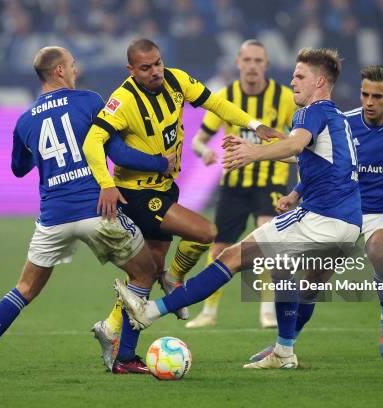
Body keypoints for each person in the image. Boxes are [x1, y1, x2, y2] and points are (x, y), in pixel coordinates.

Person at [115, 48, 362, 370]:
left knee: (229, 257)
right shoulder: (339, 119)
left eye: (299, 77)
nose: (293, 83)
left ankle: (148, 312)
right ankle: (284, 352)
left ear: (320, 81)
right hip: (349, 225)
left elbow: (295, 144)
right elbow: (311, 158)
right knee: (297, 281)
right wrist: (294, 189)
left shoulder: (309, 113)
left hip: (321, 217)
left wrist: (252, 153)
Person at [0, 46, 176, 376]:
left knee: (25, 289)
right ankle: (126, 358)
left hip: (53, 219)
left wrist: (43, 153)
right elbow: (117, 152)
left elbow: (18, 168)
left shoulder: (25, 120)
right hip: (97, 210)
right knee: (145, 272)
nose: (76, 70)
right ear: (60, 71)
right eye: (73, 65)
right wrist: (160, 163)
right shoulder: (89, 101)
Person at [83, 38, 283, 367]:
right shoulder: (123, 99)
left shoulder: (176, 79)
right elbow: (94, 139)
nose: (155, 72)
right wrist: (105, 184)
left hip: (164, 188)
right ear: (131, 70)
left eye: (158, 63)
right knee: (205, 232)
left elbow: (216, 104)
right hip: (136, 194)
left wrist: (255, 125)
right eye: (146, 68)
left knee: (145, 276)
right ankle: (175, 280)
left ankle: (121, 346)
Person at [249, 65, 383, 362]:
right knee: (311, 284)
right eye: (364, 94)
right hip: (342, 209)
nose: (368, 101)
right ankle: (284, 345)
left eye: (377, 96)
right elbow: (327, 166)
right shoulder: (344, 122)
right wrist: (296, 194)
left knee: (379, 251)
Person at [188, 39, 298, 329]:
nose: (252, 66)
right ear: (238, 63)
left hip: (270, 182)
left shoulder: (284, 98)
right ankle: (209, 312)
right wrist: (206, 152)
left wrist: (284, 148)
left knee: (266, 237)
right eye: (247, 60)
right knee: (219, 248)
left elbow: (297, 139)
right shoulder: (226, 97)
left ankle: (267, 309)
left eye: (258, 61)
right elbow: (198, 141)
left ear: (267, 65)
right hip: (234, 184)